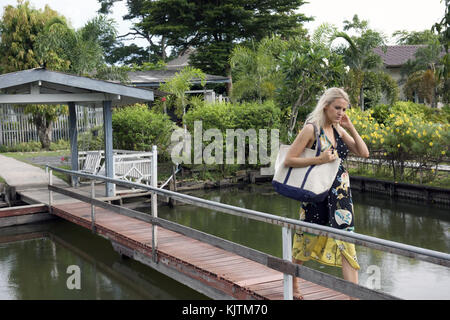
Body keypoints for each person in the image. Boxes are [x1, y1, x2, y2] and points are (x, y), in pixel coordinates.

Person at [284, 87, 369, 299]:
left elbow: (364, 152)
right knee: (306, 241)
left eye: (344, 109)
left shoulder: (339, 129)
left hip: (341, 198)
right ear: (326, 106)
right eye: (337, 108)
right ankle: (293, 284)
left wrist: (350, 126)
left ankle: (353, 296)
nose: (341, 112)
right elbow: (289, 160)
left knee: (347, 244)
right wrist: (319, 159)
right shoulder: (311, 129)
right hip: (316, 194)